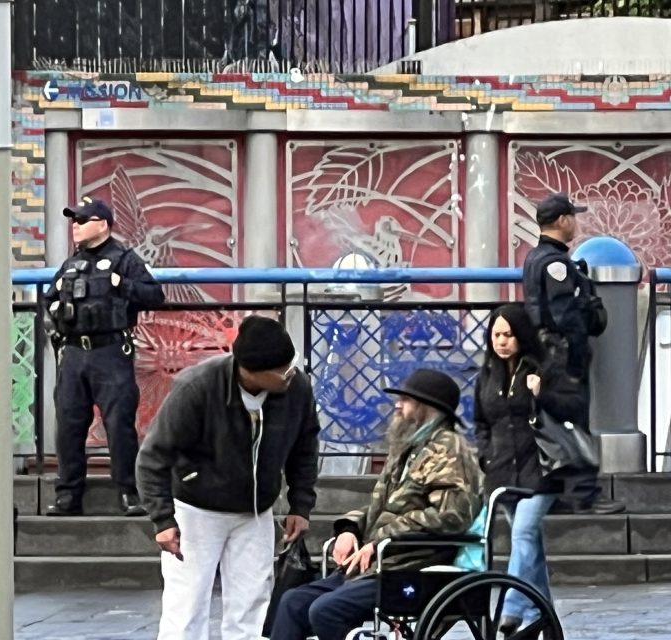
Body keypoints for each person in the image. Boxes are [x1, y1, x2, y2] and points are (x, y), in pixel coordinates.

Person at [135, 315, 320, 640]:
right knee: (186, 607)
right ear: (250, 370)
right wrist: (162, 518)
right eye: (281, 370)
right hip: (196, 509)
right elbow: (153, 456)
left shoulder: (297, 389)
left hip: (256, 512)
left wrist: (300, 504)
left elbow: (305, 447)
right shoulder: (197, 387)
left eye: (290, 365)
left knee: (253, 608)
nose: (290, 374)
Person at [270, 368, 483, 640]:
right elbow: (380, 508)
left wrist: (381, 539)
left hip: (412, 565)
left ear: (427, 408)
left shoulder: (450, 450)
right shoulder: (408, 447)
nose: (397, 405)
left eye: (405, 400)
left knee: (326, 610)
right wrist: (349, 529)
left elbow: (451, 515)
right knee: (292, 602)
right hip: (378, 563)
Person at [44, 196, 165, 517]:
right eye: (74, 220)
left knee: (119, 425)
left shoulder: (123, 259)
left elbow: (155, 295)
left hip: (110, 352)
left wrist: (121, 285)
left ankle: (129, 492)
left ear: (103, 225)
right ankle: (68, 495)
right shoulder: (71, 263)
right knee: (68, 425)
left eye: (82, 220)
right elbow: (50, 299)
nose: (75, 226)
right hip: (74, 353)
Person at [474, 303, 588, 634]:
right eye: (496, 334)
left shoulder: (545, 368)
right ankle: (546, 619)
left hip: (541, 468)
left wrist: (542, 394)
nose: (501, 341)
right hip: (502, 472)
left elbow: (571, 411)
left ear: (521, 335)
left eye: (508, 335)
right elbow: (481, 423)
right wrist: (486, 455)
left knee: (523, 534)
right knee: (531, 550)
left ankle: (511, 609)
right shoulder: (487, 374)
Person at [521, 192, 624, 516]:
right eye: (573, 217)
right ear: (563, 220)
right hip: (562, 356)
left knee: (556, 424)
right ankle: (584, 495)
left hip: (546, 353)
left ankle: (561, 494)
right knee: (573, 423)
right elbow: (565, 315)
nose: (575, 223)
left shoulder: (534, 257)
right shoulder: (556, 264)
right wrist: (576, 354)